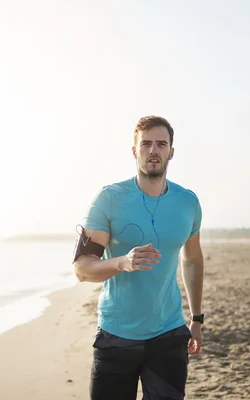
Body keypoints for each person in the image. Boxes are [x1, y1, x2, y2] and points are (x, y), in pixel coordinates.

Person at [72, 115, 205, 400]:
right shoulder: (109, 198)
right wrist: (122, 262)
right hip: (117, 335)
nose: (153, 150)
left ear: (171, 151)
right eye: (146, 144)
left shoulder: (188, 202)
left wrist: (196, 319)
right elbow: (82, 269)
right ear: (135, 151)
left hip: (168, 333)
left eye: (161, 144)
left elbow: (192, 259)